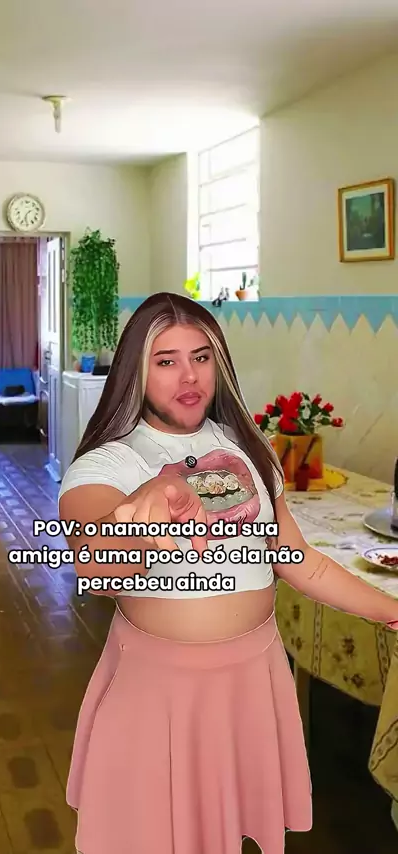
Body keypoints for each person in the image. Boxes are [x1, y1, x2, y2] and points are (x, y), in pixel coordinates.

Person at [59, 292, 398, 854]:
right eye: (165, 361)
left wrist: (391, 610)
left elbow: (300, 561)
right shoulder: (112, 461)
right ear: (135, 373)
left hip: (253, 674)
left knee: (225, 830)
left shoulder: (249, 447)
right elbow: (93, 555)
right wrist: (146, 506)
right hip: (162, 690)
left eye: (201, 357)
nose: (188, 375)